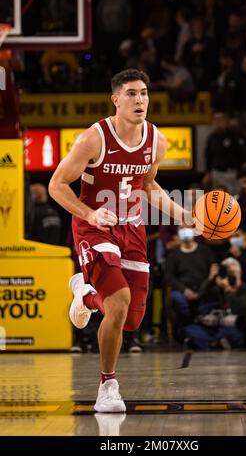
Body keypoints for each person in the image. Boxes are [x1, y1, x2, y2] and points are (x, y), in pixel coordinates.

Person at [49, 68, 193, 413]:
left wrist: (183, 214)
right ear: (116, 100)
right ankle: (108, 386)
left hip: (132, 229)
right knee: (119, 299)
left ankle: (84, 293)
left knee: (130, 320)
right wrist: (89, 214)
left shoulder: (158, 140)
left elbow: (148, 186)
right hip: (95, 227)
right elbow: (57, 185)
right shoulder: (93, 138)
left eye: (143, 93)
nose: (139, 99)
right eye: (131, 93)